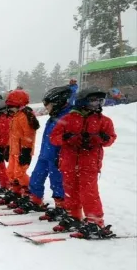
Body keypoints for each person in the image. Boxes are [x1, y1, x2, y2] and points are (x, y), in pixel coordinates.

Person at [50, 87, 117, 238]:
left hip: (89, 164)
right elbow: (54, 137)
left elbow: (111, 137)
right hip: (69, 162)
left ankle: (95, 222)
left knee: (89, 193)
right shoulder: (67, 119)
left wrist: (99, 138)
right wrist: (68, 138)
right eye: (93, 100)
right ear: (82, 101)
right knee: (70, 191)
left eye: (100, 101)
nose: (97, 104)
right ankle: (74, 217)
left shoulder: (104, 121)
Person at [14, 85, 72, 216]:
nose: (46, 107)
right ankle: (35, 200)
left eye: (48, 104)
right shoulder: (54, 116)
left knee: (57, 181)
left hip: (57, 156)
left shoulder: (68, 117)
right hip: (45, 153)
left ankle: (61, 206)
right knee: (36, 177)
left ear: (57, 103)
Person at [4, 89, 39, 204]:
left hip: (22, 151)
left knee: (20, 173)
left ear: (19, 105)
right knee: (10, 172)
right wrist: (8, 147)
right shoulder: (16, 116)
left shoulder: (25, 115)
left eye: (12, 106)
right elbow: (12, 134)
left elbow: (28, 134)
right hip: (14, 150)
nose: (10, 109)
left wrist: (26, 150)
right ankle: (16, 192)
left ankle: (28, 192)